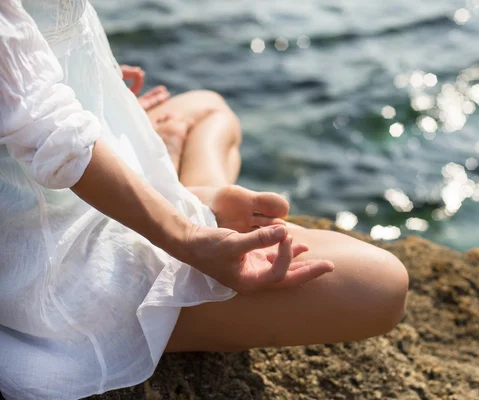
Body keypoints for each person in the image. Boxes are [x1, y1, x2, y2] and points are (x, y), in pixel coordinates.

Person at [0, 0, 409, 398]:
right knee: (378, 283)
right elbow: (47, 131)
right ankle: (195, 206)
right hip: (50, 249)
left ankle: (193, 195)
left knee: (205, 108)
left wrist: (88, 81)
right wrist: (190, 237)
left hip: (57, 170)